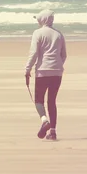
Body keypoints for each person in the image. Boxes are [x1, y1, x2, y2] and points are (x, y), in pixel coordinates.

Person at [24, 9, 67, 140]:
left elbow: (34, 53)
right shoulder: (59, 34)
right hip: (57, 72)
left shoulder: (38, 33)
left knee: (38, 100)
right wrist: (57, 65)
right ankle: (53, 132)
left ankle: (44, 121)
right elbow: (63, 55)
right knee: (52, 101)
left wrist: (27, 69)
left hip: (42, 71)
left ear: (42, 20)